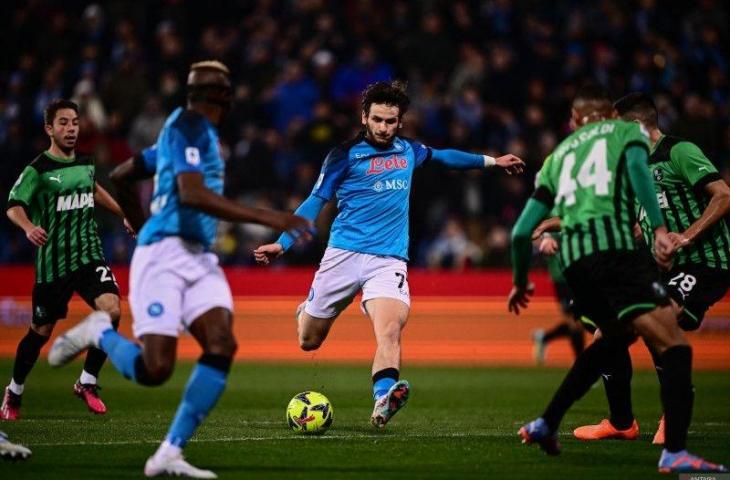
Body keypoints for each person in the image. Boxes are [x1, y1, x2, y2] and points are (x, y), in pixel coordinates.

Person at [47, 60, 311, 479]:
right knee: (155, 370)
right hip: (165, 255)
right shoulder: (190, 127)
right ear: (224, 96)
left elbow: (122, 174)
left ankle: (169, 452)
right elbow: (191, 193)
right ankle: (98, 330)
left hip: (198, 256)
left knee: (221, 344)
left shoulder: (182, 131)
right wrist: (270, 217)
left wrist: (138, 219)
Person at [254, 80, 524, 428]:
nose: (384, 127)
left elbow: (444, 157)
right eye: (378, 119)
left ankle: (383, 397)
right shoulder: (343, 155)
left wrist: (492, 161)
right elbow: (315, 201)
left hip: (388, 260)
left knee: (390, 330)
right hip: (343, 254)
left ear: (400, 122)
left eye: (391, 121)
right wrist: (282, 242)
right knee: (309, 341)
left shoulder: (409, 151)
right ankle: (306, 311)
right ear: (364, 117)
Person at [508, 84, 726, 473]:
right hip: (623, 257)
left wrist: (522, 277)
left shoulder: (560, 156)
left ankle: (551, 423)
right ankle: (670, 445)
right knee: (666, 342)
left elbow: (521, 232)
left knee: (615, 336)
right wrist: (660, 232)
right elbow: (636, 200)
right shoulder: (624, 144)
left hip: (610, 262)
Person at [572, 92, 730, 445]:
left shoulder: (679, 151)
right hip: (665, 265)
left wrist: (686, 238)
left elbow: (723, 195)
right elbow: (644, 223)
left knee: (662, 321)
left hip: (704, 262)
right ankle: (621, 423)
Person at [2, 99, 130, 420]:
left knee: (112, 309)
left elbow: (94, 189)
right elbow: (13, 204)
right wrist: (29, 226)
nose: (71, 129)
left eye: (74, 122)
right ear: (49, 128)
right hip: (53, 263)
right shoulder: (38, 170)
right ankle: (14, 391)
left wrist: (123, 213)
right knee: (39, 332)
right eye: (63, 123)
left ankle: (87, 382)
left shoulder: (85, 162)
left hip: (88, 254)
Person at [530, 230, 585, 365]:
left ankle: (544, 337)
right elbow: (536, 238)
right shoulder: (550, 215)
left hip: (580, 276)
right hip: (562, 279)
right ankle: (581, 365)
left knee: (580, 322)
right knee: (575, 322)